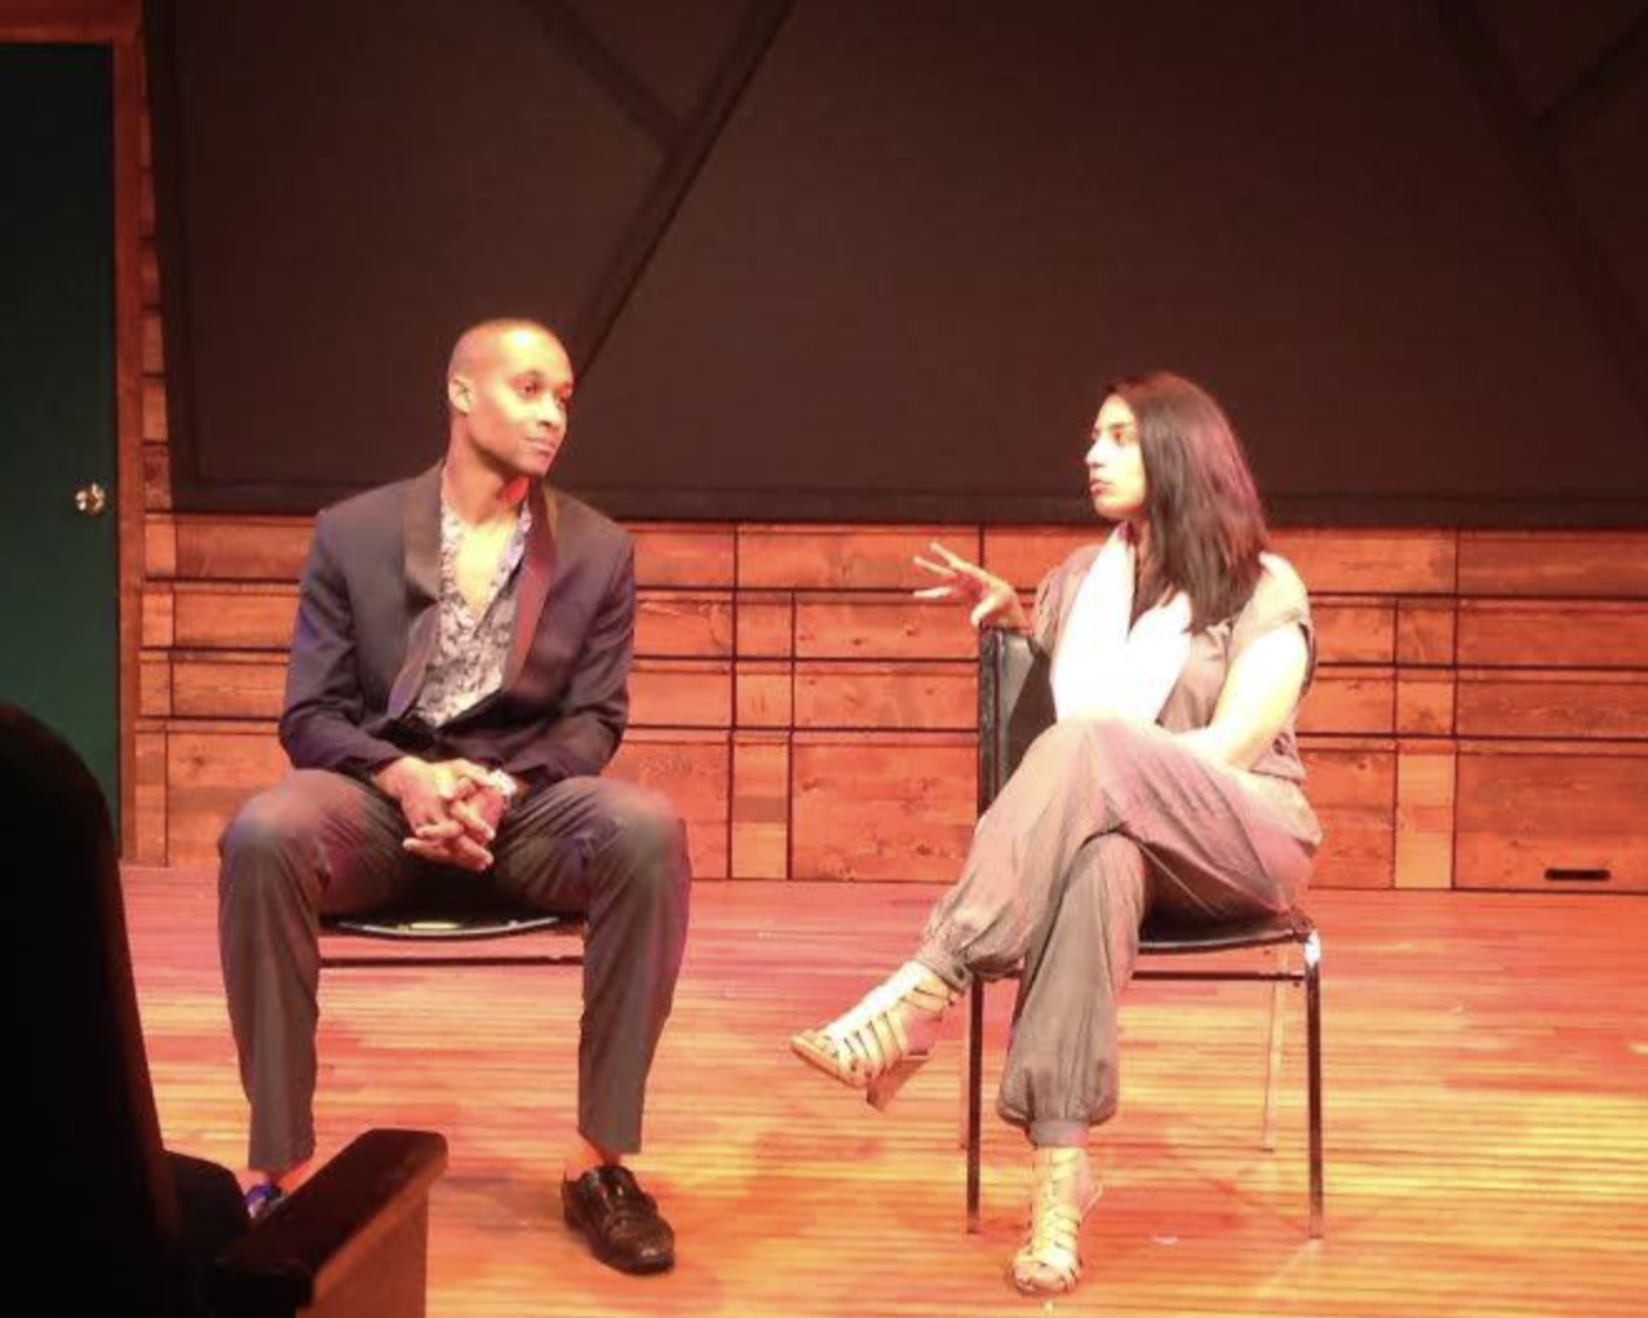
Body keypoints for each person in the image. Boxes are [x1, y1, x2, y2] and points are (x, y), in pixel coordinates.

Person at [791, 371, 1320, 1295]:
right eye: (1093, 436)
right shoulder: (1080, 580)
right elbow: (1074, 678)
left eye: (1117, 436)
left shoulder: (1262, 585)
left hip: (1241, 833)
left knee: (1093, 754)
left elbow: (1233, 741)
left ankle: (924, 990)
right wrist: (1017, 616)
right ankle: (1060, 1180)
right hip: (1131, 842)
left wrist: (1114, 757)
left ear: (1178, 453)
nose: (1091, 453)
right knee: (1096, 865)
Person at [218, 318, 689, 1275]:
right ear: (462, 393)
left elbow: (593, 724)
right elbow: (309, 715)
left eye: (563, 397)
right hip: (377, 810)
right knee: (263, 832)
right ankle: (283, 1170)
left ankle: (599, 1160)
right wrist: (404, 774)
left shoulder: (598, 551)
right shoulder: (351, 534)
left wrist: (499, 789)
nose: (552, 414)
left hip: (520, 817)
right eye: (528, 388)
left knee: (648, 829)